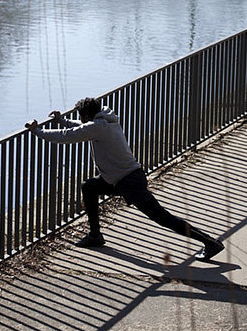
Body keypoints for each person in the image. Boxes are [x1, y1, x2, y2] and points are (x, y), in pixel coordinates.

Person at [25, 97, 224, 261]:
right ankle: (95, 235)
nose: (81, 119)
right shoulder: (105, 120)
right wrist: (61, 119)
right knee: (89, 187)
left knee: (162, 217)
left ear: (87, 115)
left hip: (129, 181)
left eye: (81, 116)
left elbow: (68, 135)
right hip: (120, 179)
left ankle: (210, 243)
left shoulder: (98, 126)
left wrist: (37, 131)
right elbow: (81, 127)